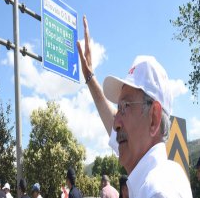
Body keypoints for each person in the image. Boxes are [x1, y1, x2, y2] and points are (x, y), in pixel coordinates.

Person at [77, 16, 193, 198]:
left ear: (153, 118)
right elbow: (113, 126)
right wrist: (90, 78)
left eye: (125, 107)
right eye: (118, 108)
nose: (116, 122)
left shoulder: (158, 191)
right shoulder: (161, 173)